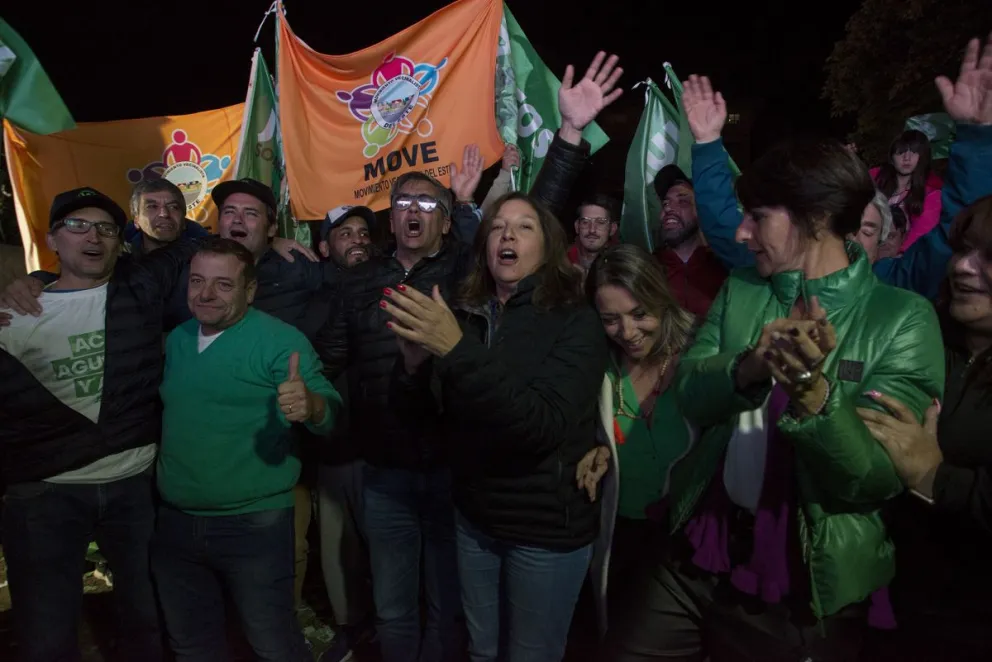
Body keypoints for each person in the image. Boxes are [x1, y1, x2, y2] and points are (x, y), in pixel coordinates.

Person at [315, 51, 623, 662]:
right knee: (425, 620)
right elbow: (343, 365)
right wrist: (387, 385)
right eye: (404, 204)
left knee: (463, 619)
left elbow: (528, 218)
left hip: (480, 492)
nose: (413, 214)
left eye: (428, 207)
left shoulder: (474, 288)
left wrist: (567, 136)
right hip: (406, 481)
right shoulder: (370, 283)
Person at [607, 131, 946, 660]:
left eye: (757, 216)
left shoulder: (901, 318)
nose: (741, 234)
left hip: (803, 582)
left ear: (812, 219)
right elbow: (691, 395)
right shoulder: (744, 288)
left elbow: (873, 476)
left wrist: (813, 394)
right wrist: (750, 365)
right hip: (698, 550)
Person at [383, 190, 610, 662]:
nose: (507, 234)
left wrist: (456, 350)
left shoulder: (576, 322)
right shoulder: (465, 314)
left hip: (543, 530)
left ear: (548, 247)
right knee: (482, 651)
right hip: (474, 522)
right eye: (497, 227)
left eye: (525, 226)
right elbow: (424, 420)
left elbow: (539, 426)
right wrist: (412, 368)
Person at [0, 187, 196, 662]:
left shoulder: (140, 287)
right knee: (47, 630)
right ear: (53, 239)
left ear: (120, 239)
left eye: (106, 229)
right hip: (46, 495)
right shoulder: (14, 315)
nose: (93, 237)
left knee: (147, 617)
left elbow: (189, 242)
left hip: (135, 485)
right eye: (78, 226)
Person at [854, 34, 992, 662]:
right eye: (963, 253)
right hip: (899, 602)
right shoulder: (932, 334)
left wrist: (936, 476)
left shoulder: (909, 288)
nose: (964, 268)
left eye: (988, 259)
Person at [151, 237, 341, 662]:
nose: (205, 294)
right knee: (192, 645)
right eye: (197, 281)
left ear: (249, 291)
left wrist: (310, 405)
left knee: (272, 643)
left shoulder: (279, 341)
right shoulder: (177, 340)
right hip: (177, 525)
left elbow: (334, 415)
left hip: (253, 524)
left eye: (223, 284)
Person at [683, 65, 987, 303]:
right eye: (842, 226)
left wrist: (976, 137)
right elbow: (722, 224)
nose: (850, 237)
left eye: (866, 230)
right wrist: (708, 143)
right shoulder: (774, 270)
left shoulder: (896, 287)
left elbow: (959, 226)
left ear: (883, 244)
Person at [576, 243, 697, 641]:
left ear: (660, 296)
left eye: (639, 314)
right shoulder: (599, 367)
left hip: (686, 546)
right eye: (610, 319)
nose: (627, 332)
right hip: (620, 540)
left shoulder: (698, 357)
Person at [653, 176, 728, 317]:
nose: (669, 208)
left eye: (683, 202)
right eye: (665, 203)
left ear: (702, 212)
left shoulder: (724, 266)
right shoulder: (647, 268)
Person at [870, 129, 943, 252]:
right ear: (892, 157)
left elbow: (920, 234)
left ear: (922, 157)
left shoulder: (931, 195)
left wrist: (900, 255)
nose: (907, 158)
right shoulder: (873, 180)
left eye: (914, 152)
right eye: (901, 152)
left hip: (900, 259)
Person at [125, 178, 210, 255]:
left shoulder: (207, 258)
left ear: (183, 220)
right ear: (136, 221)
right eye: (152, 206)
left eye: (173, 207)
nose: (164, 214)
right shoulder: (118, 261)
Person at [568, 193, 619, 275]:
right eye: (585, 222)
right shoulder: (562, 263)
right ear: (577, 226)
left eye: (600, 222)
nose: (592, 230)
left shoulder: (621, 265)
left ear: (612, 229)